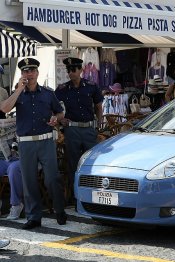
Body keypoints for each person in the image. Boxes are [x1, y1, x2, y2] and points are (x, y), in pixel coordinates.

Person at [0, 58, 66, 229]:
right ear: (22, 74)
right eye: (26, 71)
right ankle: (34, 216)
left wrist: (55, 119)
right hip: (26, 144)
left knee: (52, 178)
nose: (29, 74)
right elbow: (5, 108)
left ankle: (59, 210)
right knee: (29, 181)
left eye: (32, 70)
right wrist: (18, 89)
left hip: (45, 141)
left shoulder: (47, 93)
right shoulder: (18, 94)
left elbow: (60, 113)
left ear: (37, 73)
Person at [55, 57, 104, 198]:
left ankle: (91, 194)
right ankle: (76, 196)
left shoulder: (91, 86)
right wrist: (60, 119)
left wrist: (99, 126)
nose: (71, 73)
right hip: (72, 130)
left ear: (81, 70)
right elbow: (53, 107)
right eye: (68, 70)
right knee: (74, 163)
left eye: (73, 69)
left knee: (91, 163)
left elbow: (98, 107)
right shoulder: (62, 89)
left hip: (89, 129)